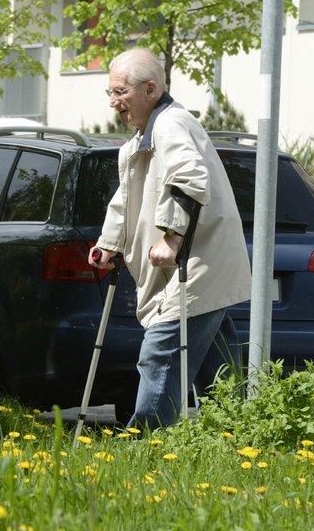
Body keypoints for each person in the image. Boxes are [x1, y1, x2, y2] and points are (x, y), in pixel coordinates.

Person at [89, 48, 251, 430]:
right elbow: (125, 198)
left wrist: (171, 239)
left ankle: (147, 444)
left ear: (150, 88)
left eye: (119, 92)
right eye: (109, 93)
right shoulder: (141, 138)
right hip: (200, 267)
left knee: (160, 354)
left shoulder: (170, 124)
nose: (113, 103)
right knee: (219, 372)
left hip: (195, 265)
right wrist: (109, 243)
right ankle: (238, 439)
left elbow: (189, 178)